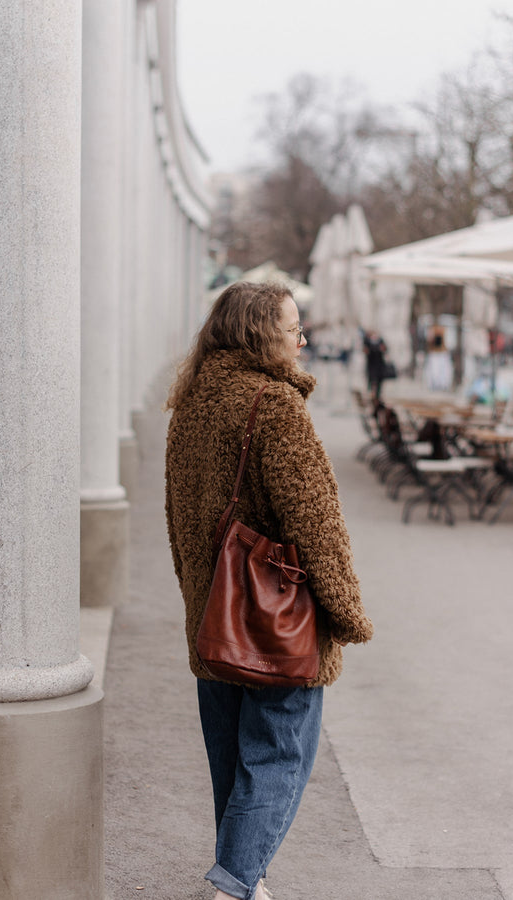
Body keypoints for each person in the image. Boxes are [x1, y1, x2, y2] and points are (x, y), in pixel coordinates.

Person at [164, 281, 374, 900]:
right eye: (293, 329)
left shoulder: (194, 400)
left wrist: (195, 593)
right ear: (261, 334)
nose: (302, 341)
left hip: (213, 611)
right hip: (274, 613)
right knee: (279, 755)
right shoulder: (275, 405)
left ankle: (244, 877)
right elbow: (316, 519)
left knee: (231, 758)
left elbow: (177, 514)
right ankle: (232, 882)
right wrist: (346, 612)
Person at [362, 329, 388, 399]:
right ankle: (371, 395)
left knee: (379, 381)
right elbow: (365, 350)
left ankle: (377, 395)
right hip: (371, 364)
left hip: (379, 364)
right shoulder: (367, 341)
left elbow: (385, 349)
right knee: (371, 380)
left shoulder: (380, 340)